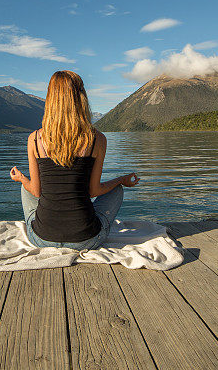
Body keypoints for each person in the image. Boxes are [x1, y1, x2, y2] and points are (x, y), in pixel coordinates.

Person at [9, 70, 140, 250]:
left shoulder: (34, 139)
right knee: (116, 189)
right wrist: (121, 180)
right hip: (86, 240)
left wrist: (22, 179)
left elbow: (37, 192)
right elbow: (94, 191)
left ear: (50, 98)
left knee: (26, 188)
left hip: (42, 239)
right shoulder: (97, 139)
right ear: (81, 98)